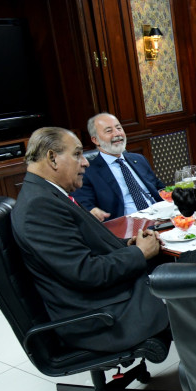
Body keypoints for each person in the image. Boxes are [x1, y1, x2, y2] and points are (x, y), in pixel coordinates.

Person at [11, 127, 169, 355]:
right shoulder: (39, 207)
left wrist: (128, 247)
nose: (85, 162)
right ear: (52, 158)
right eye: (77, 154)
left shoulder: (48, 194)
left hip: (106, 297)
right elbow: (86, 272)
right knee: (191, 299)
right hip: (99, 318)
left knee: (184, 280)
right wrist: (139, 254)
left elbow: (85, 250)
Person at [72, 113, 166, 221]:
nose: (117, 134)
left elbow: (161, 189)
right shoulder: (87, 173)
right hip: (128, 226)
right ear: (95, 140)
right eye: (109, 131)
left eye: (118, 128)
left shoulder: (139, 159)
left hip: (161, 217)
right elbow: (86, 208)